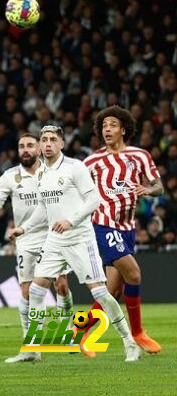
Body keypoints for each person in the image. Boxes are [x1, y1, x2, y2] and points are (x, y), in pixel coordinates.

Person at [8, 125, 141, 362]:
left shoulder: (74, 167)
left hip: (80, 238)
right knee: (36, 290)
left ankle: (129, 342)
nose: (47, 143)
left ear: (61, 144)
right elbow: (43, 207)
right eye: (44, 140)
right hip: (54, 240)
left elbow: (94, 199)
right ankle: (32, 348)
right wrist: (24, 228)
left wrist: (71, 220)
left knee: (100, 292)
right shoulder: (41, 173)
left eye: (52, 140)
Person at [0, 133, 73, 363]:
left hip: (54, 235)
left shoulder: (53, 173)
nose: (25, 149)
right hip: (25, 239)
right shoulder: (10, 176)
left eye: (30, 145)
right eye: (21, 145)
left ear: (40, 149)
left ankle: (67, 331)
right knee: (26, 291)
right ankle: (31, 347)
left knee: (61, 285)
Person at [82, 105, 162, 356]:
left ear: (123, 129)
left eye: (113, 125)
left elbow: (158, 185)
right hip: (103, 224)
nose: (107, 129)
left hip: (127, 229)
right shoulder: (92, 161)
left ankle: (77, 331)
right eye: (104, 126)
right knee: (134, 275)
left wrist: (150, 190)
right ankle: (138, 332)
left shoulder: (140, 156)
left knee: (112, 292)